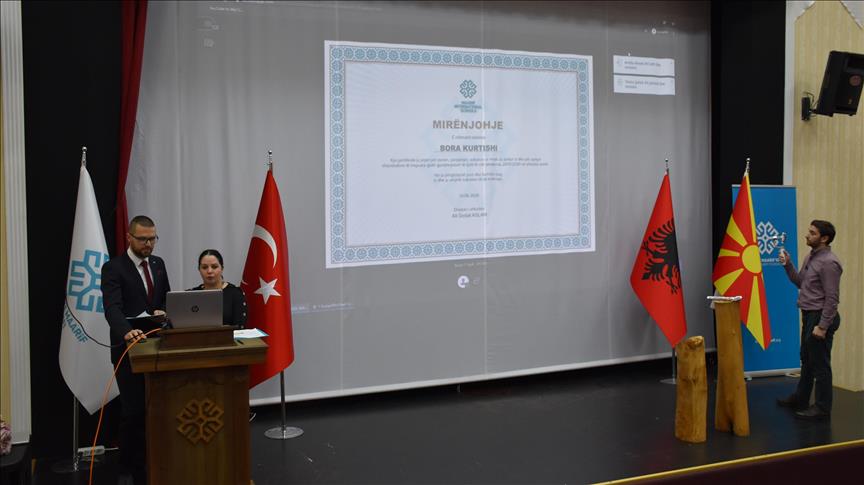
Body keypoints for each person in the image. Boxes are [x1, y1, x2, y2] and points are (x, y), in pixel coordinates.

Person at [101, 215, 171, 480]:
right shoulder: (113, 268)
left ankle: (156, 460)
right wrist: (126, 331)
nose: (148, 244)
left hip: (157, 345)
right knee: (134, 411)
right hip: (128, 350)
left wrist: (164, 311)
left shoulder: (158, 264)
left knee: (158, 408)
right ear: (129, 237)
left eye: (153, 239)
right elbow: (112, 308)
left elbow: (165, 297)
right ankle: (131, 467)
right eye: (143, 239)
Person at [776, 220, 842, 421]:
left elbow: (832, 298)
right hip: (809, 314)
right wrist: (788, 265)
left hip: (820, 316)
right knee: (807, 359)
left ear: (824, 238)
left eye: (812, 233)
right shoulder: (810, 257)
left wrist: (822, 326)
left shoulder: (829, 263)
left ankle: (822, 408)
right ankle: (801, 399)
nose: (807, 235)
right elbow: (801, 283)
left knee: (820, 365)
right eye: (809, 231)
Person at [188, 249, 247, 328]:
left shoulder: (235, 293)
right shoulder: (191, 295)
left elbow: (239, 327)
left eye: (214, 267)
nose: (209, 271)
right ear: (199, 269)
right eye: (204, 267)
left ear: (222, 268)